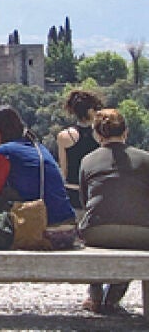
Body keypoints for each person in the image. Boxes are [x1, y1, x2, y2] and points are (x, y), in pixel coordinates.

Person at [77, 108, 149, 315]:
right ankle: (113, 298)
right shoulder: (145, 158)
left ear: (97, 134)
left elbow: (85, 201)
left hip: (96, 230)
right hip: (141, 232)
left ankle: (95, 295)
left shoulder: (88, 160)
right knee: (131, 243)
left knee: (93, 233)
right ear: (126, 132)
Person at [0, 105, 74, 226]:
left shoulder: (5, 152)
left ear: (4, 129)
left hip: (38, 223)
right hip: (65, 220)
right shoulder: (40, 148)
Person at [56, 88, 102, 210]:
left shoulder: (64, 136)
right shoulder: (101, 134)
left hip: (73, 193)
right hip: (95, 193)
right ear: (90, 111)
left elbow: (64, 170)